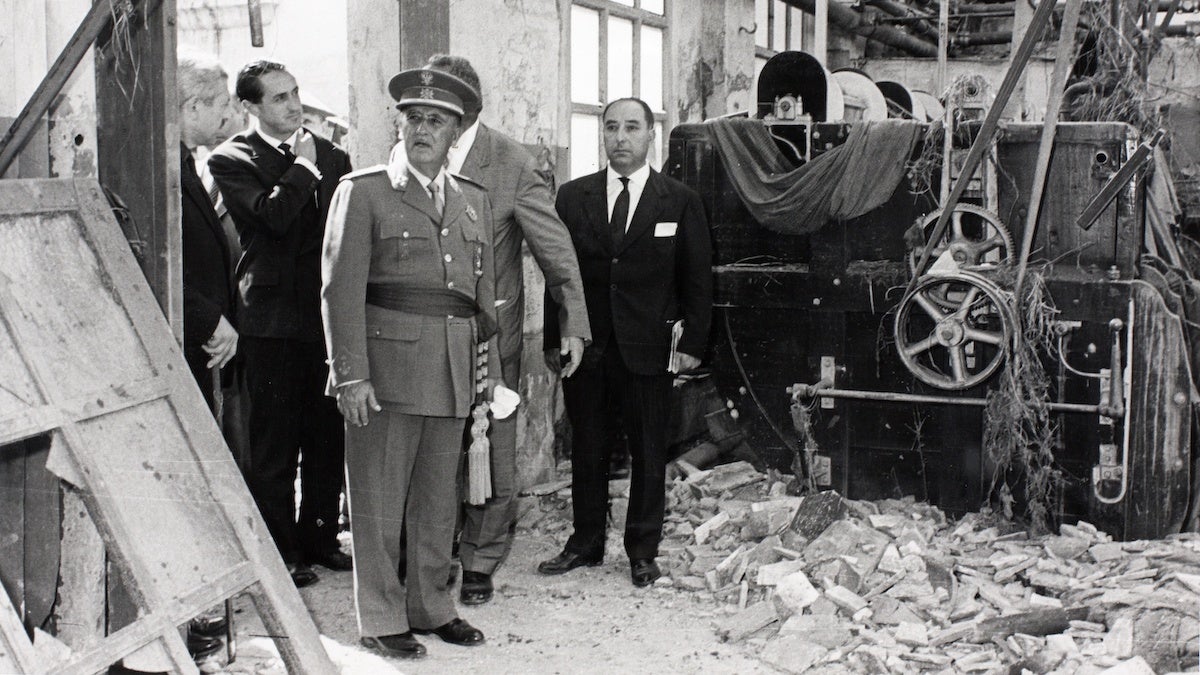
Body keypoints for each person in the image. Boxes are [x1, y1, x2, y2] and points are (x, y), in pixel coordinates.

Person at [322, 68, 496, 660]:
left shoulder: (472, 199)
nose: (423, 129)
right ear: (398, 123)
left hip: (450, 371)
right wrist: (349, 373)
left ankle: (431, 605)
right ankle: (380, 615)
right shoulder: (364, 190)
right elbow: (339, 289)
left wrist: (486, 375)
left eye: (437, 120)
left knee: (436, 502)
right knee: (377, 500)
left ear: (458, 130)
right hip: (386, 373)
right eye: (413, 117)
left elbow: (481, 300)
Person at [421, 54, 591, 607]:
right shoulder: (410, 154)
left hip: (489, 338)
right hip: (423, 333)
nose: (428, 116)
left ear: (468, 108)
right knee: (431, 444)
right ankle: (432, 549)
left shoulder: (511, 163)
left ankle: (480, 559)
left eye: (441, 104)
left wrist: (574, 323)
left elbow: (555, 249)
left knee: (490, 445)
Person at [538, 97, 713, 587]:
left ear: (650, 136)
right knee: (588, 448)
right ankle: (585, 542)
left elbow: (697, 279)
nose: (620, 137)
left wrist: (693, 342)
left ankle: (642, 549)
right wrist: (556, 337)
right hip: (586, 347)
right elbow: (558, 274)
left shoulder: (679, 200)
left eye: (631, 128)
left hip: (649, 347)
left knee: (648, 450)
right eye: (611, 127)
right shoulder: (573, 197)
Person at [207, 60, 353, 588]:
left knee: (325, 435)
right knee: (275, 443)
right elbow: (271, 219)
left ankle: (319, 537)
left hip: (325, 318)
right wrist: (305, 170)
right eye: (277, 99)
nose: (293, 106)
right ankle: (281, 550)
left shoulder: (333, 154)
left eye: (295, 93)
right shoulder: (232, 159)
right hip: (268, 321)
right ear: (250, 107)